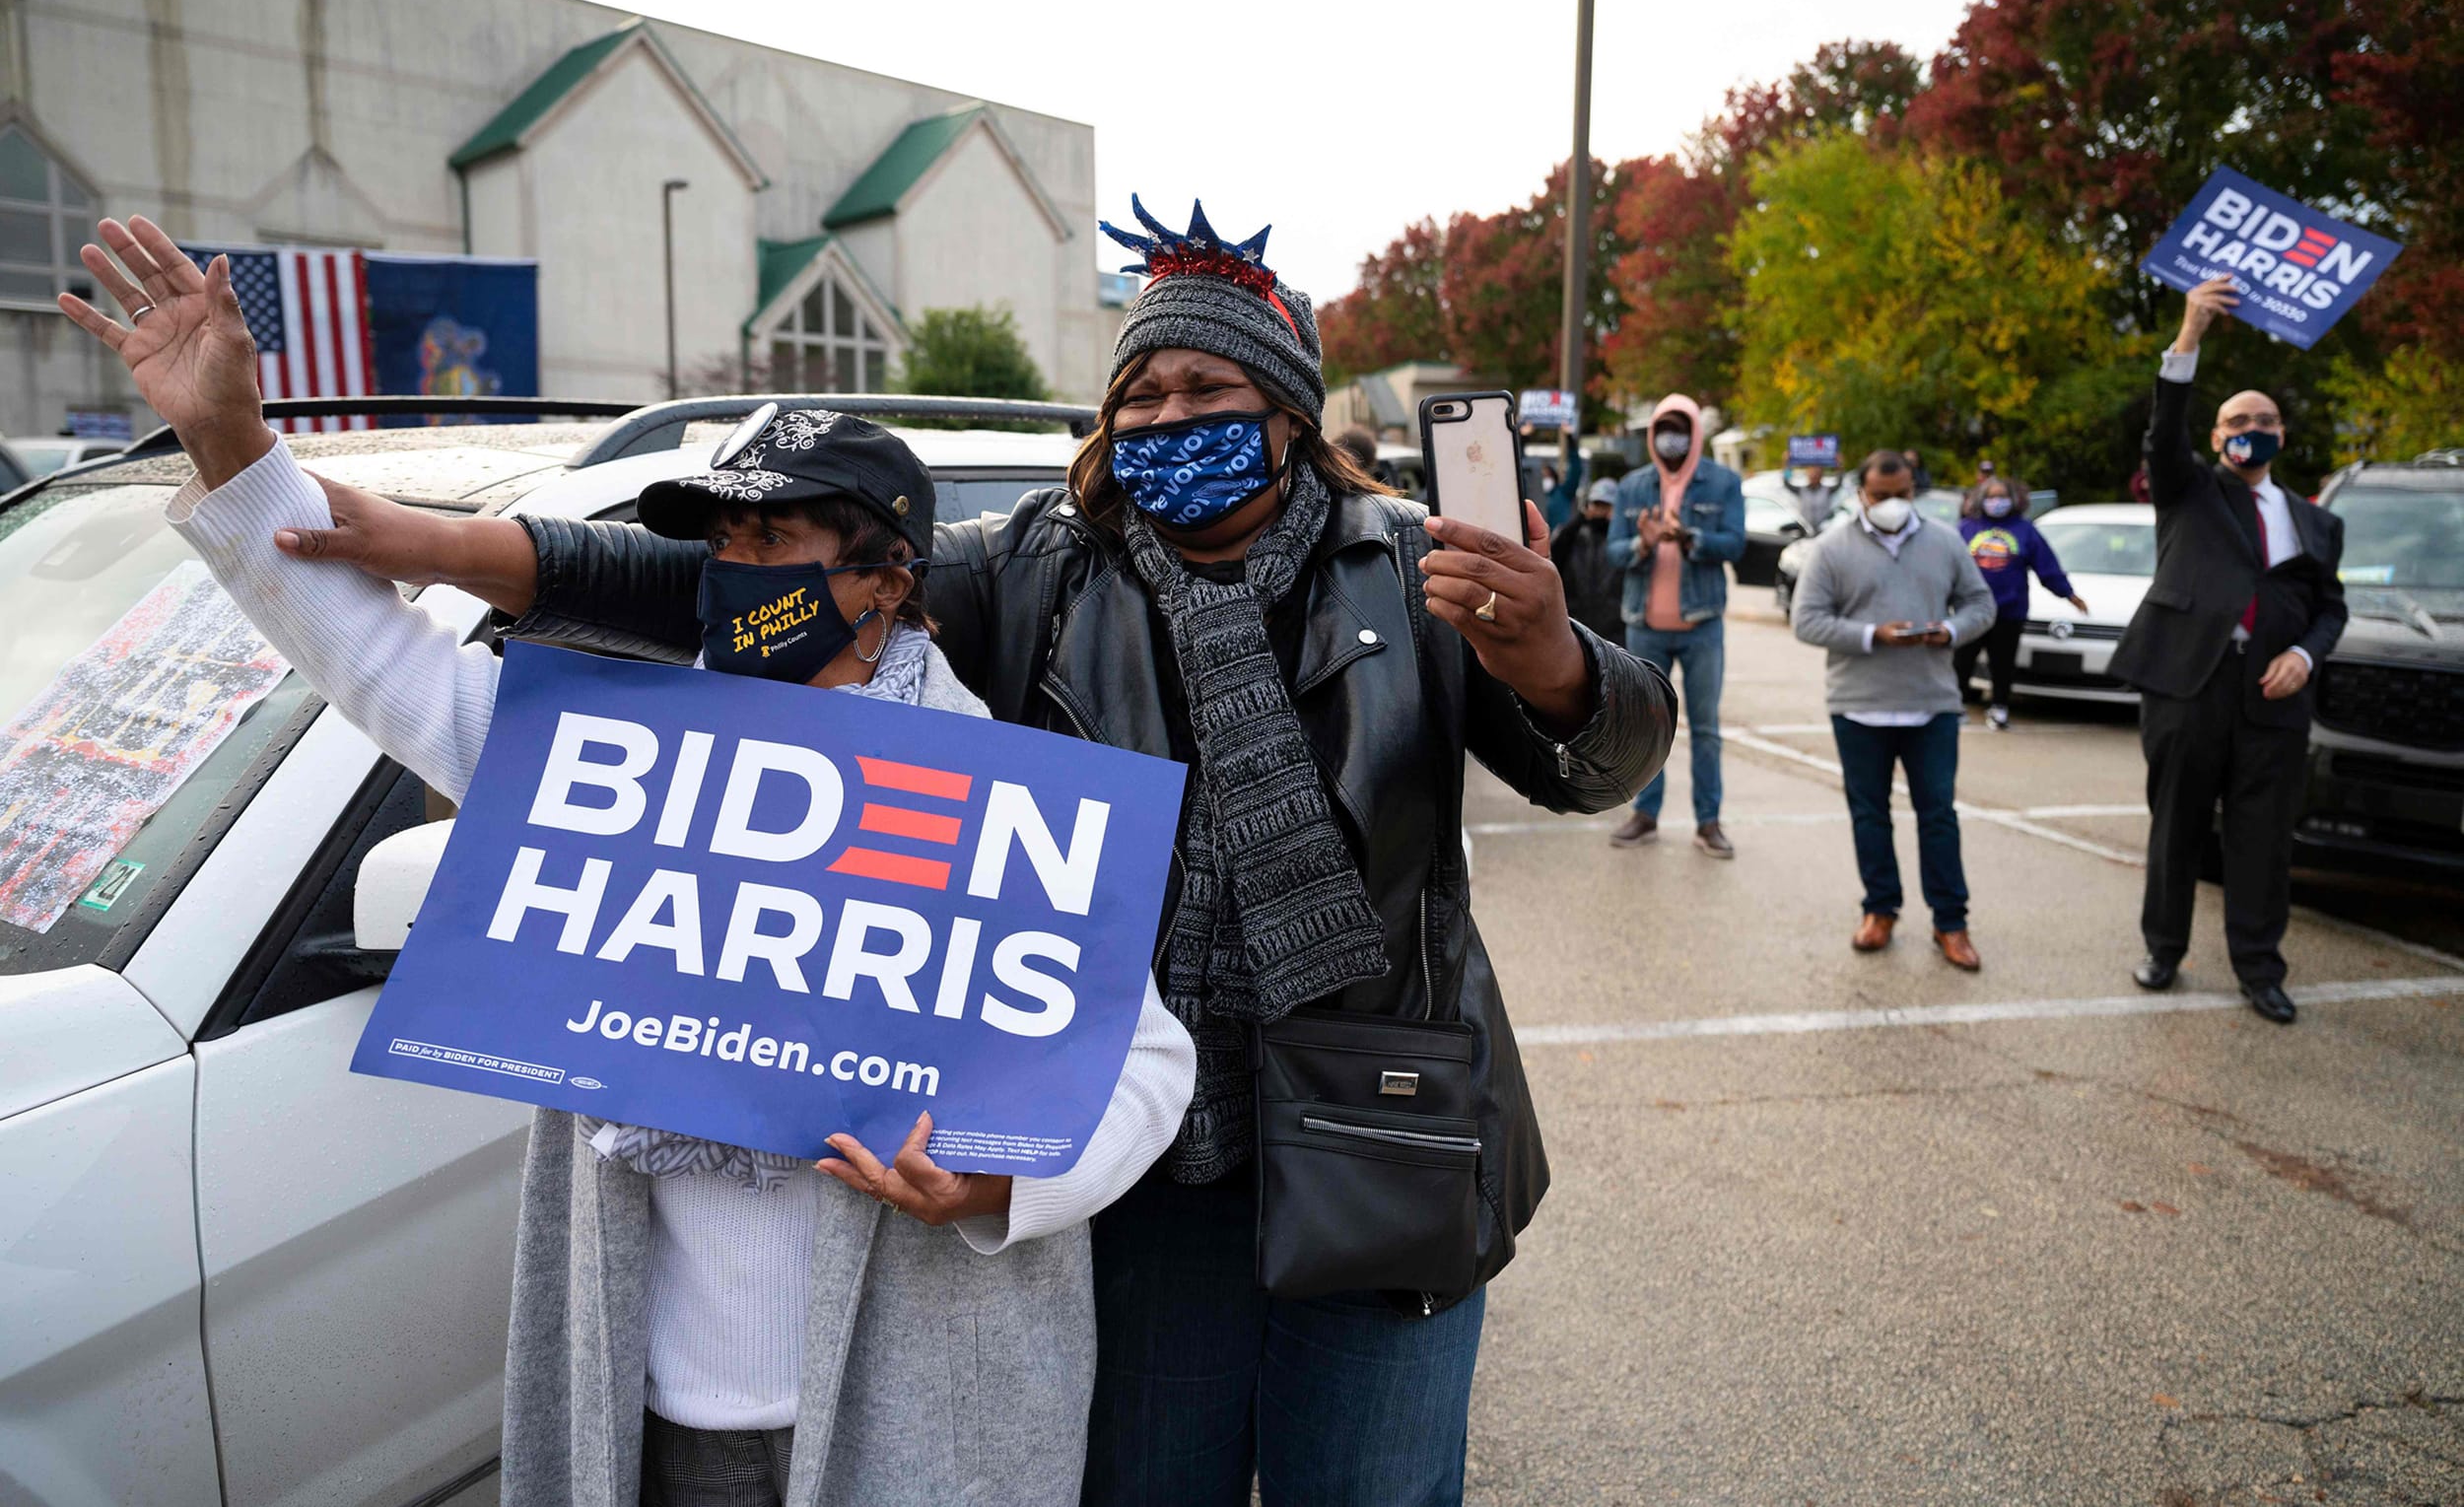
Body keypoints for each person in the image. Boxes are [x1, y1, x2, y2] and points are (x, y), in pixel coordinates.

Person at [233, 196, 1677, 1505]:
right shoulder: (1042, 564)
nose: (1171, 416)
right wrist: (441, 543)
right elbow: (749, 596)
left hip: (1384, 1138)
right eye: (1144, 390)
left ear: (1288, 410)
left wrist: (1545, 646)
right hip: (1153, 1166)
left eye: (1209, 388)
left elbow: (1605, 759)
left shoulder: (1420, 562)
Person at [57, 218, 1198, 1507]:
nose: (735, 573)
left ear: (884, 579)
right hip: (659, 1411)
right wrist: (227, 441)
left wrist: (1004, 1174)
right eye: (723, 544)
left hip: (907, 1416)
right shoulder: (617, 767)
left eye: (777, 544)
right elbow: (381, 665)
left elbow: (1149, 1062)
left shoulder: (994, 796)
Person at [2109, 276, 2347, 1025]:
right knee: (2176, 824)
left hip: (2274, 700)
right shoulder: (2188, 488)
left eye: (2265, 417)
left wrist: (2306, 656)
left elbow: (2330, 607)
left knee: (2262, 838)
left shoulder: (2315, 520)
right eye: (2238, 418)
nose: (2252, 425)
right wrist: (2189, 335)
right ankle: (2164, 948)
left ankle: (2258, 967)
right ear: (2216, 438)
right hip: (2188, 686)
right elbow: (2162, 430)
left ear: (2283, 434)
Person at [1789, 450, 1996, 969]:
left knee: (1939, 816)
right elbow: (1806, 620)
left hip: (1932, 704)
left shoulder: (1945, 541)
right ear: (1861, 494)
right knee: (1870, 815)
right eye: (1882, 496)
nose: (1893, 505)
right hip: (1859, 707)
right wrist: (1869, 635)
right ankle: (1880, 910)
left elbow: (1981, 605)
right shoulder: (1832, 547)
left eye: (1903, 494)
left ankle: (1951, 922)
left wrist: (1947, 631)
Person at [1607, 394, 1746, 858]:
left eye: (1680, 428)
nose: (1671, 437)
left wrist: (1691, 538)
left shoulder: (1722, 482)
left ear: (1694, 433)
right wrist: (1642, 546)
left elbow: (1734, 543)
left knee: (1704, 727)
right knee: (1648, 727)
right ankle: (1646, 815)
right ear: (1651, 434)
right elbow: (1614, 551)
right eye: (1663, 427)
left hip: (1702, 623)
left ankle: (1709, 822)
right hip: (1645, 623)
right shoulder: (1632, 486)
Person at [1954, 474, 2087, 728]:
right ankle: (1955, 707)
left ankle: (2000, 708)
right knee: (1962, 662)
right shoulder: (1966, 529)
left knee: (2002, 664)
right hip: (1970, 610)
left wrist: (2068, 594)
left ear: (2013, 500)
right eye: (1991, 497)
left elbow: (2047, 567)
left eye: (2001, 497)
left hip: (2009, 610)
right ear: (1981, 499)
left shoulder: (2025, 531)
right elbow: (1945, 568)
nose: (1996, 502)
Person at [1551, 477, 1623, 639]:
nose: (1601, 511)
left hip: (1616, 628)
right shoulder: (1573, 536)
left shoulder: (1622, 539)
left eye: (1607, 506)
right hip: (1578, 625)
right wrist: (1580, 518)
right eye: (1597, 505)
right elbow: (1553, 554)